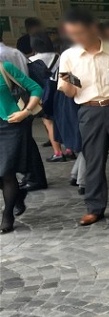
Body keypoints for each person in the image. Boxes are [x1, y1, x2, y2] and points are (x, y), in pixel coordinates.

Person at [57, 8, 109, 226]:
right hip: (89, 111)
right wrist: (66, 86)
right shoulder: (69, 57)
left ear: (92, 28)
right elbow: (70, 92)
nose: (76, 38)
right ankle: (94, 207)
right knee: (93, 160)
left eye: (80, 32)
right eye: (72, 34)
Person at [0, 54, 42, 233]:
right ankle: (17, 196)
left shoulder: (5, 68)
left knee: (6, 172)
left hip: (10, 125)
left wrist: (26, 112)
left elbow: (36, 88)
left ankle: (7, 215)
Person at [28, 32, 72, 163]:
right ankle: (69, 149)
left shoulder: (31, 61)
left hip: (44, 95)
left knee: (49, 122)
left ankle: (58, 152)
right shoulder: (59, 57)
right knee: (63, 120)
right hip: (60, 92)